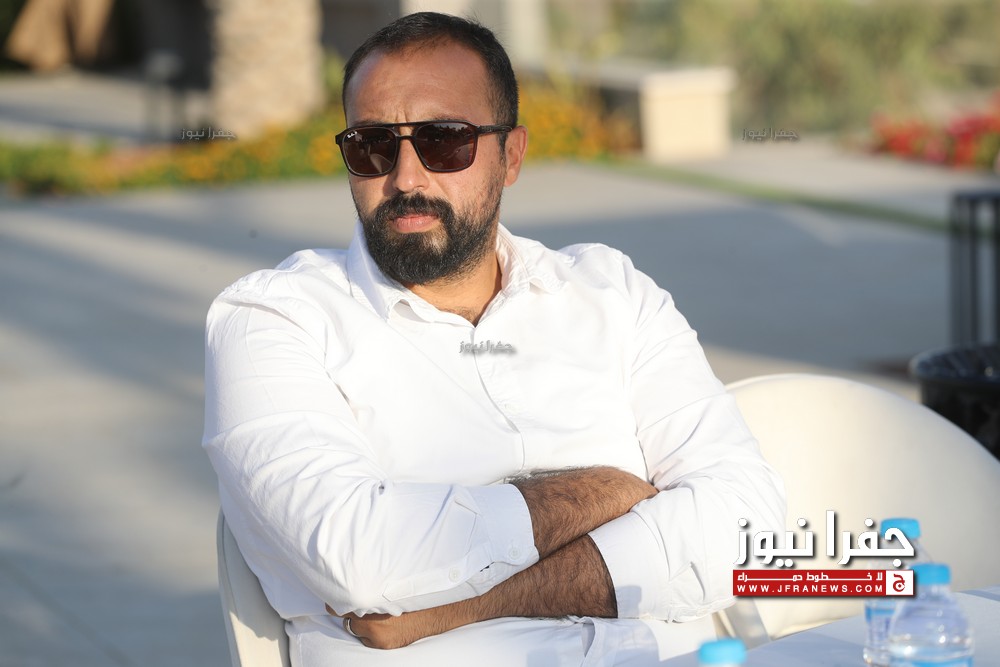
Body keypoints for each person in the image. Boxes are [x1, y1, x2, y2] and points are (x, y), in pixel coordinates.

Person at [202, 11, 785, 667]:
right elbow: (359, 560)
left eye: (444, 141)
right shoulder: (274, 319)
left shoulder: (611, 292)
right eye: (372, 146)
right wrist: (610, 491)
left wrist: (454, 608)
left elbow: (750, 531)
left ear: (511, 155)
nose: (406, 177)